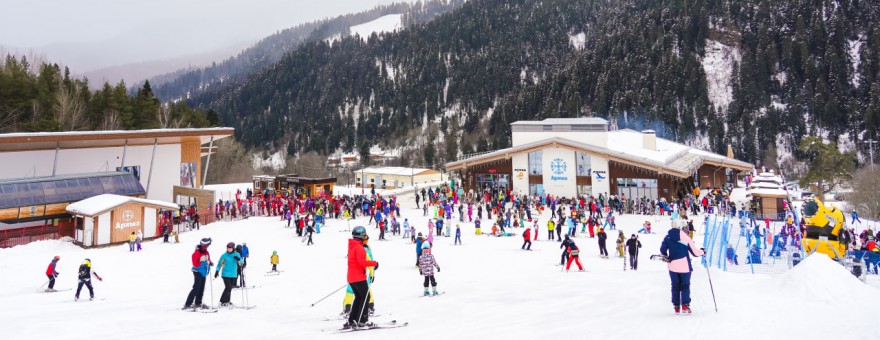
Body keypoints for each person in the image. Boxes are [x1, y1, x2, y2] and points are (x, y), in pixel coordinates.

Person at [660, 224, 705, 314]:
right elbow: (695, 253)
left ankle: (676, 306)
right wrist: (703, 252)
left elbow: (662, 249)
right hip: (685, 267)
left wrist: (666, 255)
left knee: (675, 285)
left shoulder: (667, 237)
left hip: (672, 266)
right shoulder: (686, 238)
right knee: (685, 285)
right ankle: (685, 305)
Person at [345, 226, 379, 329]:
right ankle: (362, 320)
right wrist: (374, 263)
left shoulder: (352, 246)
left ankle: (353, 320)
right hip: (358, 277)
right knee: (365, 298)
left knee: (359, 298)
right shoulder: (359, 248)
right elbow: (362, 262)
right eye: (364, 235)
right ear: (360, 236)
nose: (365, 237)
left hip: (352, 277)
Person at [184, 238, 213, 309]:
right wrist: (205, 262)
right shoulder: (196, 253)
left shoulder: (206, 252)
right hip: (197, 272)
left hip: (204, 272)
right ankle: (188, 304)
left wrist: (210, 262)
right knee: (196, 288)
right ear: (204, 245)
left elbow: (208, 259)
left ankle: (198, 303)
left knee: (201, 288)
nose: (208, 247)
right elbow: (195, 264)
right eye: (207, 245)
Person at [215, 242, 242, 307]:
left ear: (233, 248)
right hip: (225, 274)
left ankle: (227, 301)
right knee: (228, 287)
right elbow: (219, 264)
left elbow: (241, 263)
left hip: (233, 274)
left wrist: (238, 260)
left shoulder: (237, 254)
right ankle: (221, 301)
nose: (229, 249)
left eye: (230, 248)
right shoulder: (224, 255)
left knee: (229, 288)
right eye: (228, 248)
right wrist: (217, 271)